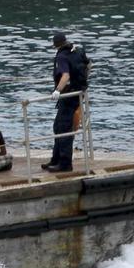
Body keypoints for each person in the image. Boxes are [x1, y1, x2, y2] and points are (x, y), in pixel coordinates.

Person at [44, 32, 91, 173]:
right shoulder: (77, 50)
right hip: (78, 92)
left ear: (56, 45)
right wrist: (81, 82)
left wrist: (58, 90)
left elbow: (66, 75)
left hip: (68, 95)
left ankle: (65, 164)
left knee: (64, 128)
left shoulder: (61, 56)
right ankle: (56, 159)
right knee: (58, 126)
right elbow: (89, 65)